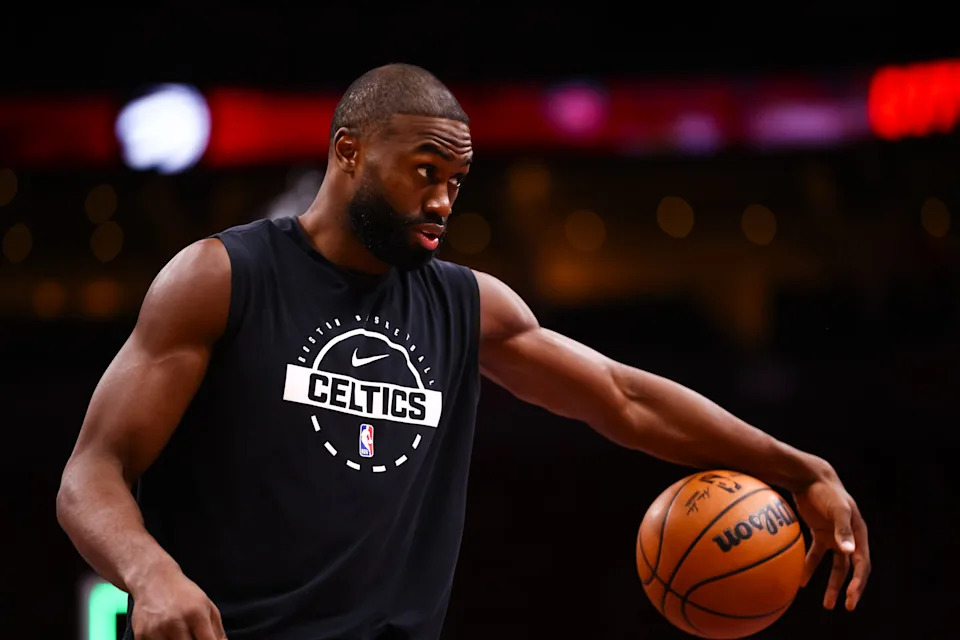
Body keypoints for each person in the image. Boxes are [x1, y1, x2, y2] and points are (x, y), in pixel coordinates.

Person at [56, 63, 870, 640]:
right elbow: (90, 474)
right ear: (349, 152)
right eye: (424, 171)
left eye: (458, 179)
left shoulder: (465, 304)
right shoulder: (222, 276)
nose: (443, 199)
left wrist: (801, 467)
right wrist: (151, 574)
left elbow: (623, 398)